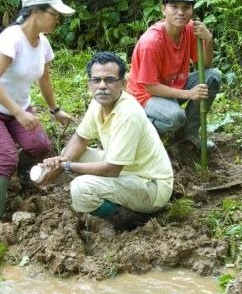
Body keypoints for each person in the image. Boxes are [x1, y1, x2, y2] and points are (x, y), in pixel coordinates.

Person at [0, 0, 76, 225]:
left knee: (39, 145)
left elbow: (45, 78)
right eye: (53, 14)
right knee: (6, 159)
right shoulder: (12, 38)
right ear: (35, 11)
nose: (57, 20)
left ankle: (25, 181)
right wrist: (18, 113)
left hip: (17, 109)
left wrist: (55, 110)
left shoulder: (43, 43)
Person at [40, 52, 174, 230]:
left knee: (80, 188)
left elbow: (112, 169)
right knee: (69, 154)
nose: (102, 86)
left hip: (150, 186)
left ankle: (129, 219)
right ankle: (112, 201)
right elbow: (81, 138)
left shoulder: (128, 114)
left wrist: (65, 167)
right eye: (96, 80)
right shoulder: (99, 103)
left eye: (110, 80)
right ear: (89, 84)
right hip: (127, 169)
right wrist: (62, 161)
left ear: (123, 84)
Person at [127, 0, 221, 149]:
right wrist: (188, 93)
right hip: (146, 96)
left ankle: (188, 134)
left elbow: (205, 66)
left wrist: (208, 40)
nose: (180, 12)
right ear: (164, 9)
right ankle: (141, 134)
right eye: (174, 6)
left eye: (186, 7)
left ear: (192, 10)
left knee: (212, 76)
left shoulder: (191, 29)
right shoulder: (152, 42)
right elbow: (150, 87)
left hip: (172, 86)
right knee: (175, 117)